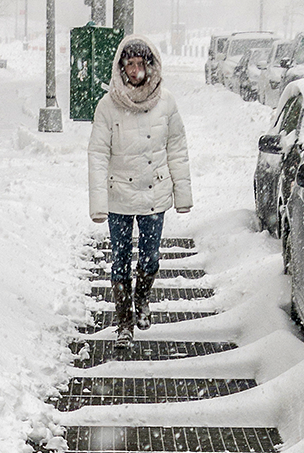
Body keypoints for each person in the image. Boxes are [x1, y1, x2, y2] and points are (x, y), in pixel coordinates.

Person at [88, 36, 192, 349]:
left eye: (140, 63)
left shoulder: (166, 102)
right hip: (119, 194)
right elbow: (97, 153)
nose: (135, 70)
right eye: (129, 64)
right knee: (120, 260)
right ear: (121, 67)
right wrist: (98, 203)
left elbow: (177, 147)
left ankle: (142, 298)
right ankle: (124, 323)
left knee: (149, 259)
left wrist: (183, 193)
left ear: (150, 65)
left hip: (154, 192)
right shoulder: (107, 106)